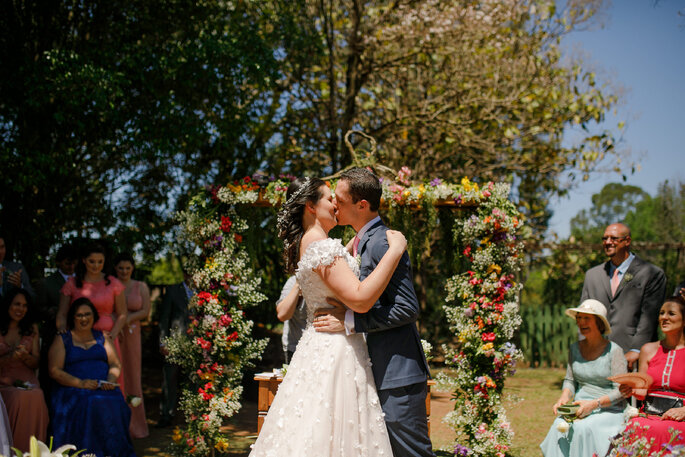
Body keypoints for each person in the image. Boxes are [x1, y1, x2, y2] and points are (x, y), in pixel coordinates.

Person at [249, 177, 408, 456]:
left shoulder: (316, 243)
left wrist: (351, 245)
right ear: (311, 206)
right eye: (328, 199)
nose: (335, 204)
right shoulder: (322, 247)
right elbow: (359, 299)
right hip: (335, 351)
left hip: (317, 345)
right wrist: (394, 252)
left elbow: (335, 268)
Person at [314, 168, 435, 457]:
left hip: (397, 374)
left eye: (339, 201)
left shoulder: (382, 241)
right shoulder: (358, 243)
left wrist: (349, 321)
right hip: (371, 371)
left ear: (362, 205)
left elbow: (406, 308)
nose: (334, 206)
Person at [48, 297, 135, 457]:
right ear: (72, 318)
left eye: (87, 314)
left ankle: (114, 452)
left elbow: (115, 364)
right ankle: (88, 452)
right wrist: (80, 383)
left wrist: (110, 380)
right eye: (79, 315)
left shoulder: (103, 337)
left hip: (102, 386)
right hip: (72, 388)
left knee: (115, 400)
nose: (84, 318)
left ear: (94, 316)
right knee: (91, 402)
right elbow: (54, 371)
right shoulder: (63, 339)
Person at [540, 299, 627, 457]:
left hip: (609, 410)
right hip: (578, 408)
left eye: (587, 318)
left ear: (599, 323)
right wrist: (564, 397)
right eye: (579, 318)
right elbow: (570, 380)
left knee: (581, 428)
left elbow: (621, 391)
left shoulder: (615, 351)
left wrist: (594, 404)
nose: (581, 322)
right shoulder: (575, 348)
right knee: (558, 425)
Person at [581, 223, 667, 370]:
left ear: (627, 241)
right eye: (605, 238)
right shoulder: (592, 275)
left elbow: (649, 318)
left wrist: (636, 350)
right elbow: (583, 315)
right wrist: (583, 347)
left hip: (633, 358)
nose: (608, 242)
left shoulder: (652, 274)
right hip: (596, 356)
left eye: (613, 238)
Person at [618, 296, 685, 452]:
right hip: (649, 414)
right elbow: (641, 393)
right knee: (637, 425)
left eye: (671, 313)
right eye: (661, 313)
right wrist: (629, 389)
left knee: (666, 430)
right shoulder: (648, 349)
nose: (664, 317)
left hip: (681, 418)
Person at [56, 242, 126, 387]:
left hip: (107, 339)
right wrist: (62, 329)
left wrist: (113, 335)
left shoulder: (113, 283)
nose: (96, 265)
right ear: (83, 260)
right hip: (79, 340)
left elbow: (122, 314)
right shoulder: (72, 283)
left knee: (110, 379)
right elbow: (62, 313)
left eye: (100, 261)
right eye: (92, 261)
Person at [0, 288, 49, 451]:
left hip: (27, 380)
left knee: (37, 395)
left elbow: (36, 362)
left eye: (24, 305)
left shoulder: (31, 328)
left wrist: (25, 357)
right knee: (17, 397)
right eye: (17, 304)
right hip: (4, 381)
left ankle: (32, 452)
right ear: (8, 305)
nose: (20, 309)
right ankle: (11, 450)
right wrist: (9, 357)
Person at [114, 252, 150, 439]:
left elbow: (145, 310)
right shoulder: (111, 285)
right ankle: (117, 423)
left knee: (133, 374)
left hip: (132, 332)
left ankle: (136, 425)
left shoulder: (140, 286)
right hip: (115, 332)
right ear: (115, 269)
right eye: (121, 268)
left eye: (128, 268)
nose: (124, 271)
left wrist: (128, 318)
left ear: (132, 268)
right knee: (116, 373)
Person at [35, 244, 77, 402]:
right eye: (67, 263)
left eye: (74, 263)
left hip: (78, 335)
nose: (71, 266)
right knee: (50, 377)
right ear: (59, 262)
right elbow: (38, 309)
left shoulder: (82, 281)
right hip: (54, 334)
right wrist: (56, 311)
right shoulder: (46, 283)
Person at [157, 271, 192, 428]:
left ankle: (191, 415)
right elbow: (164, 317)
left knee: (193, 380)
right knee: (169, 378)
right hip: (175, 343)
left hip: (196, 344)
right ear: (184, 274)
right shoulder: (172, 290)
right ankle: (166, 414)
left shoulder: (204, 291)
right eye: (189, 273)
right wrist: (163, 342)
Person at [275, 275, 307, 363]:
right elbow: (282, 315)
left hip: (324, 348)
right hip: (295, 348)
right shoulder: (293, 281)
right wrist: (297, 285)